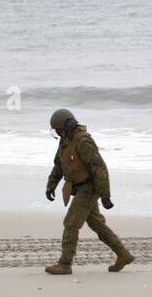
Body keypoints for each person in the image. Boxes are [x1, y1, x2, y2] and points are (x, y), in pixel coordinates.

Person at [43, 109, 134, 275]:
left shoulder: (83, 141)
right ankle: (123, 254)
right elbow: (59, 166)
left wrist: (105, 195)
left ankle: (65, 264)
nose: (56, 132)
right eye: (54, 130)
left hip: (89, 188)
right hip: (78, 188)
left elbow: (99, 167)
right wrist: (51, 185)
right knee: (96, 223)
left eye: (57, 129)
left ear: (66, 126)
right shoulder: (65, 140)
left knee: (70, 223)